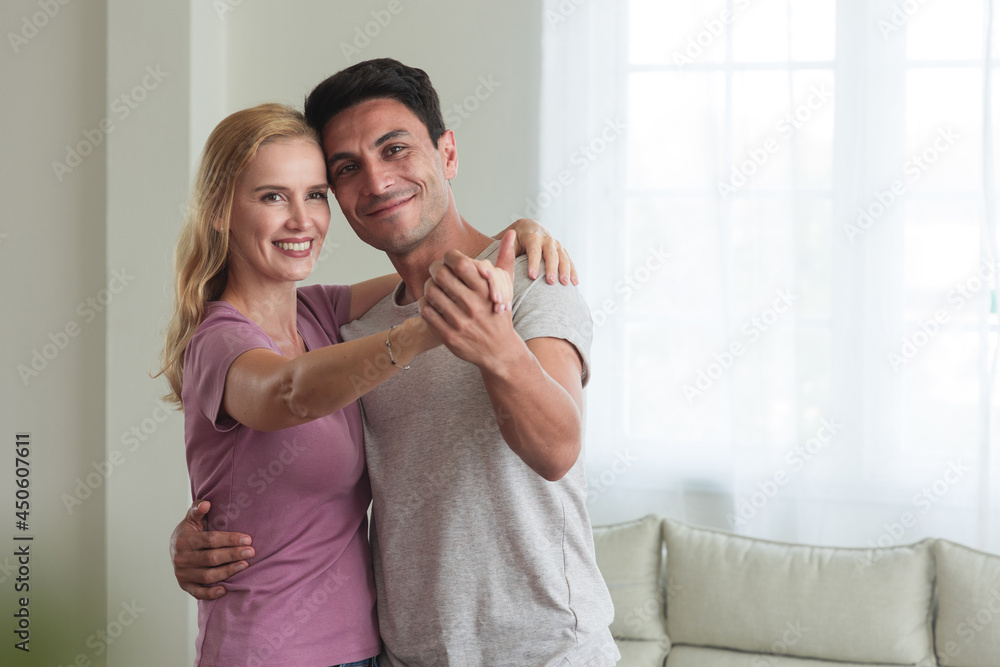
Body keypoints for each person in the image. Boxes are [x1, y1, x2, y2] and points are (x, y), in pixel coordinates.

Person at [159, 101, 574, 667]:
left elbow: (433, 267)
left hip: (367, 650)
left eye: (315, 194)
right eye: (272, 196)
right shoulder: (218, 340)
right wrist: (421, 333)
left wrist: (519, 233)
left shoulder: (322, 315)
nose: (302, 220)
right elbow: (288, 392)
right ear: (218, 211)